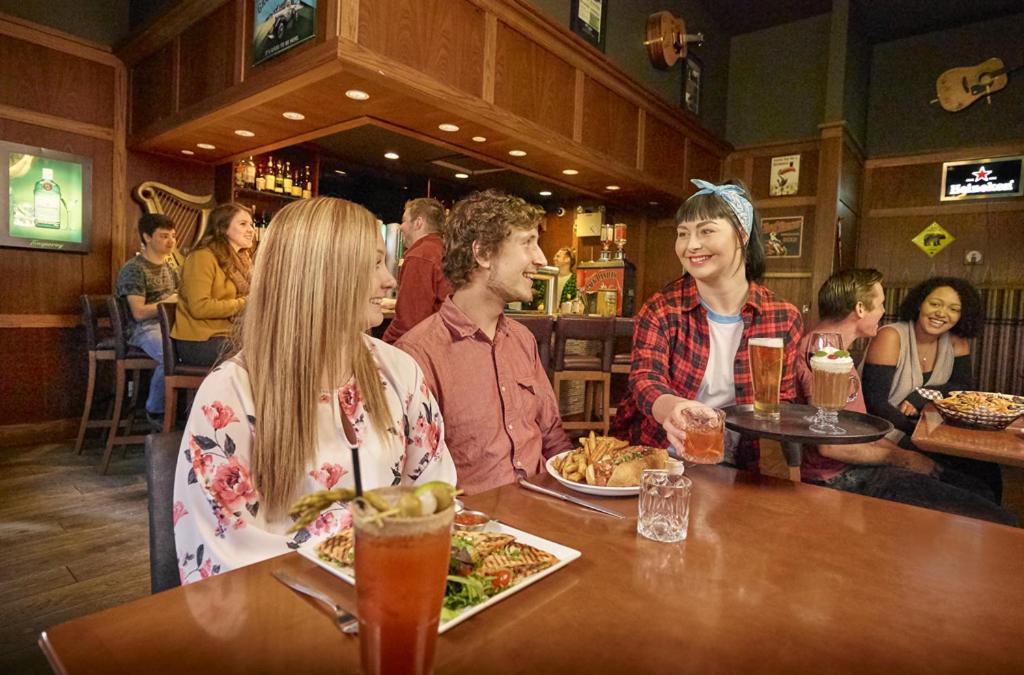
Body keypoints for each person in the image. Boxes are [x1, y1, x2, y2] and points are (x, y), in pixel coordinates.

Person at [173, 197, 457, 583]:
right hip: (283, 614)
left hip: (395, 596)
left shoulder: (400, 371)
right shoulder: (230, 395)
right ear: (322, 275)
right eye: (374, 263)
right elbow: (219, 554)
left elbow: (436, 491)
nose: (389, 279)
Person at [610, 179, 802, 471]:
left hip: (740, 462)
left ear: (742, 234)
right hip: (662, 458)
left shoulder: (782, 316)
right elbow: (645, 379)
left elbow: (783, 400)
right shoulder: (662, 308)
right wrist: (673, 409)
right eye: (682, 234)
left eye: (707, 231)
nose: (691, 246)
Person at [797, 270, 1014, 525]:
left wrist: (908, 456)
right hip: (839, 477)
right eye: (880, 304)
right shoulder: (821, 355)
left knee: (979, 485)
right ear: (860, 308)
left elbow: (857, 429)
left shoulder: (833, 350)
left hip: (861, 463)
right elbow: (831, 445)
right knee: (996, 517)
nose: (883, 312)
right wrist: (904, 458)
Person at [395, 189, 573, 494]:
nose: (541, 259)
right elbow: (416, 480)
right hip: (475, 528)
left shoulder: (523, 339)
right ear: (483, 254)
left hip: (545, 508)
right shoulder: (417, 354)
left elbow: (553, 439)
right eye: (527, 243)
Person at [862, 276, 1003, 501]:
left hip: (931, 431)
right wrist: (923, 435)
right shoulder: (890, 336)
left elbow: (962, 390)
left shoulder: (956, 341)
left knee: (987, 469)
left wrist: (921, 395)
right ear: (920, 303)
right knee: (966, 480)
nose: (942, 313)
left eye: (953, 309)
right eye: (935, 304)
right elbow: (875, 404)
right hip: (888, 430)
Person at [114, 213, 182, 427]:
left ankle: (182, 414)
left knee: (191, 351)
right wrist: (168, 302)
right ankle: (156, 411)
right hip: (142, 329)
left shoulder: (171, 268)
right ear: (147, 237)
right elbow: (139, 313)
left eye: (173, 236)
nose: (171, 241)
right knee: (169, 355)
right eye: (164, 236)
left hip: (168, 325)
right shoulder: (134, 268)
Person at [172, 203, 254, 367]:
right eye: (243, 224)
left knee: (278, 345)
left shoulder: (242, 260)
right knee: (264, 354)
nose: (251, 229)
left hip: (228, 336)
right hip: (200, 342)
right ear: (223, 228)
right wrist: (245, 303)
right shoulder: (202, 257)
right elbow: (199, 307)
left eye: (251, 224)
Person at [382, 197, 452, 344]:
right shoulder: (446, 250)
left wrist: (382, 348)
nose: (401, 227)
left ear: (418, 223)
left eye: (404, 221)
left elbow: (408, 322)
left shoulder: (420, 256)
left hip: (423, 348)